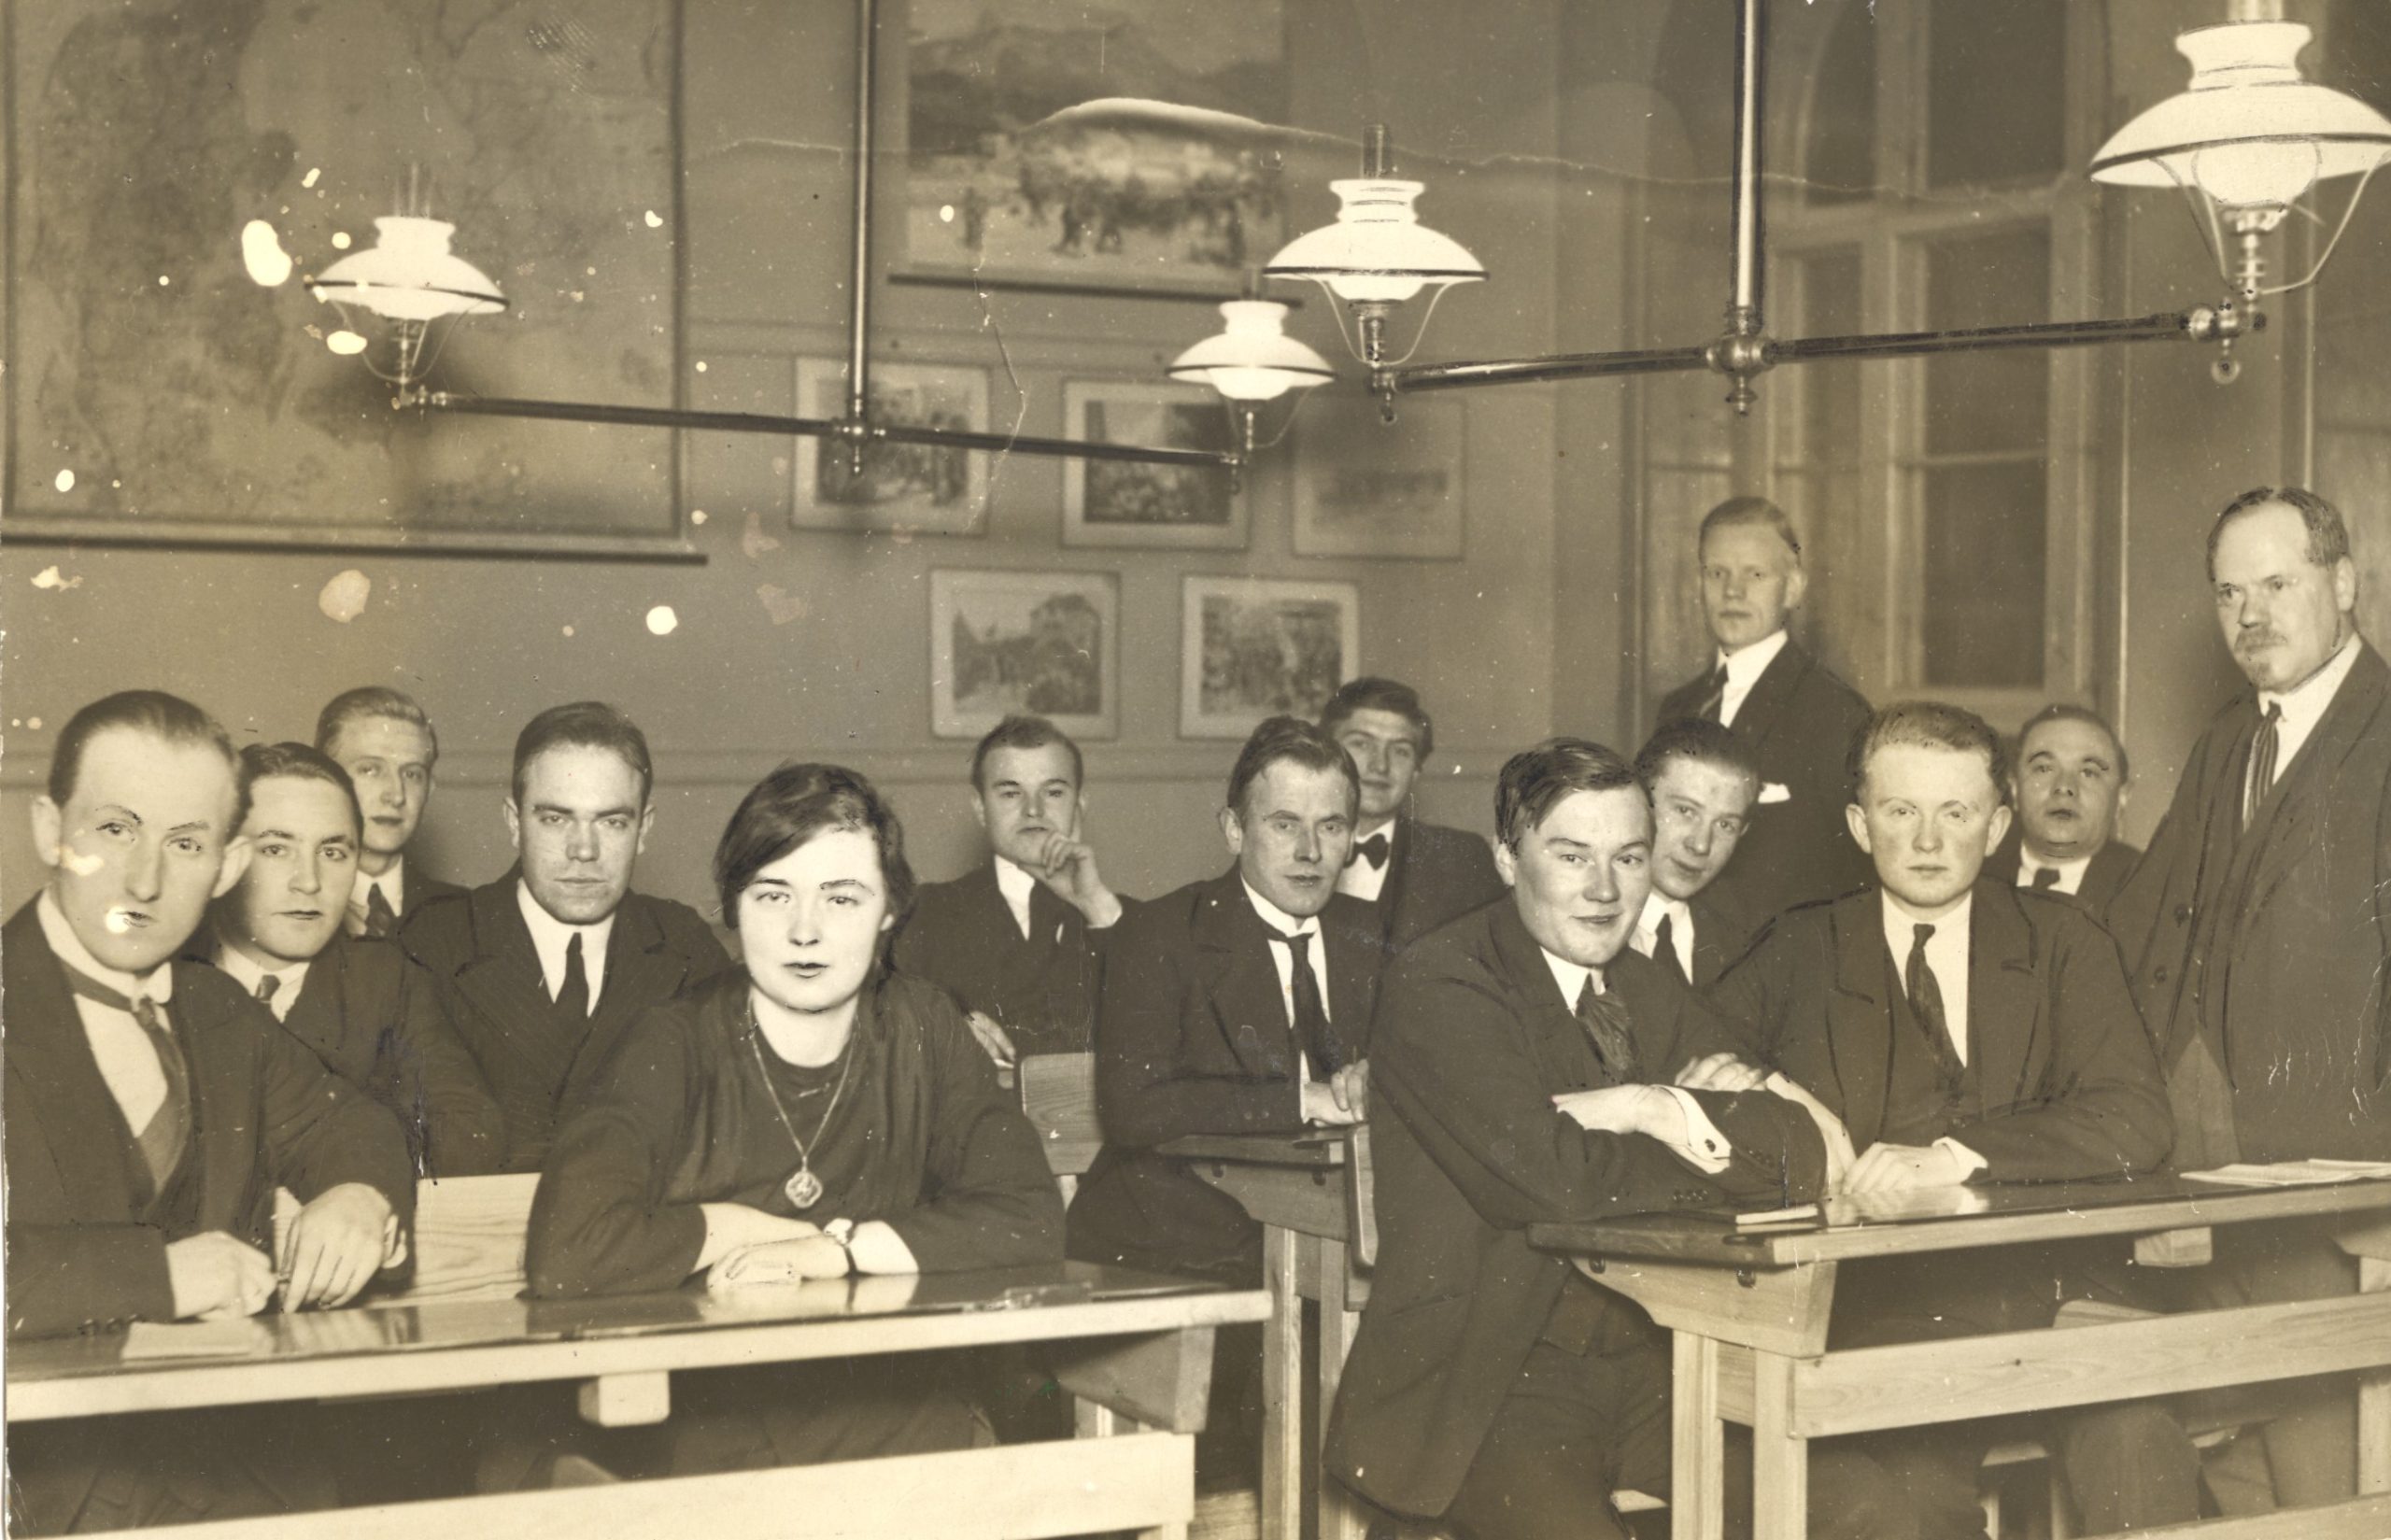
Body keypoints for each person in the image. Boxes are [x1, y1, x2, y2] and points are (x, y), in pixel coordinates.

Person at [1323, 738, 1837, 1540]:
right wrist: (1701, 1130)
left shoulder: (1642, 981)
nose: (1605, 889)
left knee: (1865, 1503)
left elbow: (1799, 1152)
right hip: (1489, 1380)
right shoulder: (1444, 980)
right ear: (1507, 858)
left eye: (1629, 858)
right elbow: (1561, 1182)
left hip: (1657, 1360)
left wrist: (1652, 1105)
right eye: (1572, 856)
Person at [1709, 700, 2172, 1540]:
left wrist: (1958, 1154)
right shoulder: (1801, 946)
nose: (1927, 840)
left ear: (1996, 827)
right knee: (1910, 1494)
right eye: (1900, 810)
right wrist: (1766, 1086)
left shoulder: (2064, 941)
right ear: (1860, 824)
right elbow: (1693, 1055)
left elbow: (2136, 1117)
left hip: (2055, 1288)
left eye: (1955, 813)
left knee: (2142, 1445)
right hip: (1884, 1310)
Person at [523, 762, 1062, 1477]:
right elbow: (566, 1251)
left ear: (890, 911)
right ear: (734, 906)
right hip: (712, 1431)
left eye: (841, 897)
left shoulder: (923, 1025)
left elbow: (1029, 1214)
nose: (804, 931)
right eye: (773, 894)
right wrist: (744, 1228)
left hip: (898, 1416)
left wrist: (838, 1249)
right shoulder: (672, 1040)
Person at [6, 691, 414, 1533]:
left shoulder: (218, 1010)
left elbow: (355, 1125)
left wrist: (359, 1195)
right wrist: (159, 1277)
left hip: (250, 1490)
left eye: (185, 842)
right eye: (116, 828)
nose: (145, 879)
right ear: (49, 829)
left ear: (227, 866)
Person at [2066, 487, 2391, 1529]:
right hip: (2197, 1167)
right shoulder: (2228, 743)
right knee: (2221, 1472)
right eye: (2228, 594)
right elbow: (2134, 930)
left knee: (2322, 1488)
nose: (2250, 616)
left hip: (2334, 1190)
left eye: (2277, 584)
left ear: (2345, 584)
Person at [1068, 716, 1379, 1285]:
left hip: (1332, 1225)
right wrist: (1302, 1100)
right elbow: (1133, 1108)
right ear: (1234, 830)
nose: (1310, 851)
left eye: (1331, 826)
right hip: (1175, 1234)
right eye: (1284, 824)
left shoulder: (1378, 937)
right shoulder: (1160, 934)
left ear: (1353, 836)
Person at [401, 701, 728, 1172]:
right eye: (555, 819)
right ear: (514, 822)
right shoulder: (434, 945)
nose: (583, 850)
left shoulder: (686, 950)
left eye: (612, 822)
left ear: (644, 828)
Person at [203, 742, 505, 1177]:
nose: (309, 882)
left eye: (332, 853)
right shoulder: (165, 979)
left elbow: (469, 1132)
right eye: (275, 849)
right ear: (223, 858)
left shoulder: (386, 982)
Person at [1654, 497, 1874, 922]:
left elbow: (1856, 875)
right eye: (1717, 573)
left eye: (1755, 574)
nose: (1732, 591)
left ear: (1792, 588)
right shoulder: (1677, 707)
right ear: (1699, 584)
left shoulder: (1835, 713)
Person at [892, 714, 1132, 1066]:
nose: (1033, 810)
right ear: (980, 809)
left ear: (1079, 806)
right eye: (1010, 793)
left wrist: (1096, 905)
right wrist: (937, 1029)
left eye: (1053, 792)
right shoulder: (924, 914)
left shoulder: (1120, 918)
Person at [1319, 676, 1506, 956]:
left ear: (1416, 770)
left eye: (1400, 751)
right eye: (1361, 744)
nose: (1380, 765)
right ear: (1326, 754)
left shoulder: (1461, 859)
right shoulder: (1288, 847)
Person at [317, 685, 461, 937]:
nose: (396, 795)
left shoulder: (465, 917)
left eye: (412, 774)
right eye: (370, 770)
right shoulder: (287, 909)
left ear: (429, 789)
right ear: (323, 780)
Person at [1631, 719, 1763, 986]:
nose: (1701, 845)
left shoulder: (1751, 946)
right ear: (1637, 800)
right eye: (1686, 811)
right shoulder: (1575, 926)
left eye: (1725, 825)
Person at [1985, 703, 2142, 915]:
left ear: (2121, 798)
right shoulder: (1973, 877)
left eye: (2088, 772)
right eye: (2044, 769)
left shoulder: (2151, 891)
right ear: (2014, 788)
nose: (2064, 787)